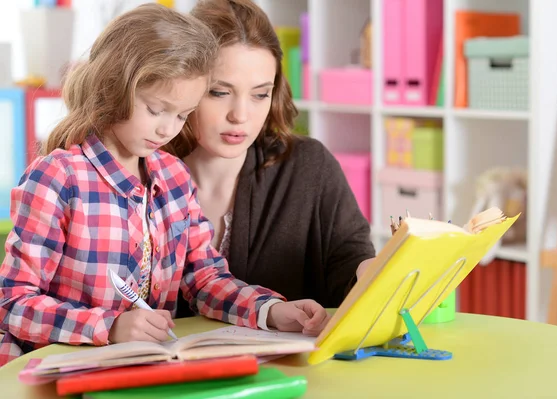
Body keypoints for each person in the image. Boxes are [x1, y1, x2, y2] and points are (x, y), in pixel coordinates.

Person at [0, 3, 328, 367]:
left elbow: (204, 278)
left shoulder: (174, 177)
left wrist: (271, 312)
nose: (167, 129)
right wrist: (108, 326)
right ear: (113, 87)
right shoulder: (59, 177)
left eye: (182, 115)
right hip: (52, 372)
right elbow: (13, 303)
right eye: (156, 110)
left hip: (142, 372)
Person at [165, 0, 376, 318]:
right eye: (219, 92)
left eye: (260, 94)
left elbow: (348, 265)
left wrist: (374, 272)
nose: (241, 115)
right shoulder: (141, 175)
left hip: (291, 367)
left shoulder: (309, 166)